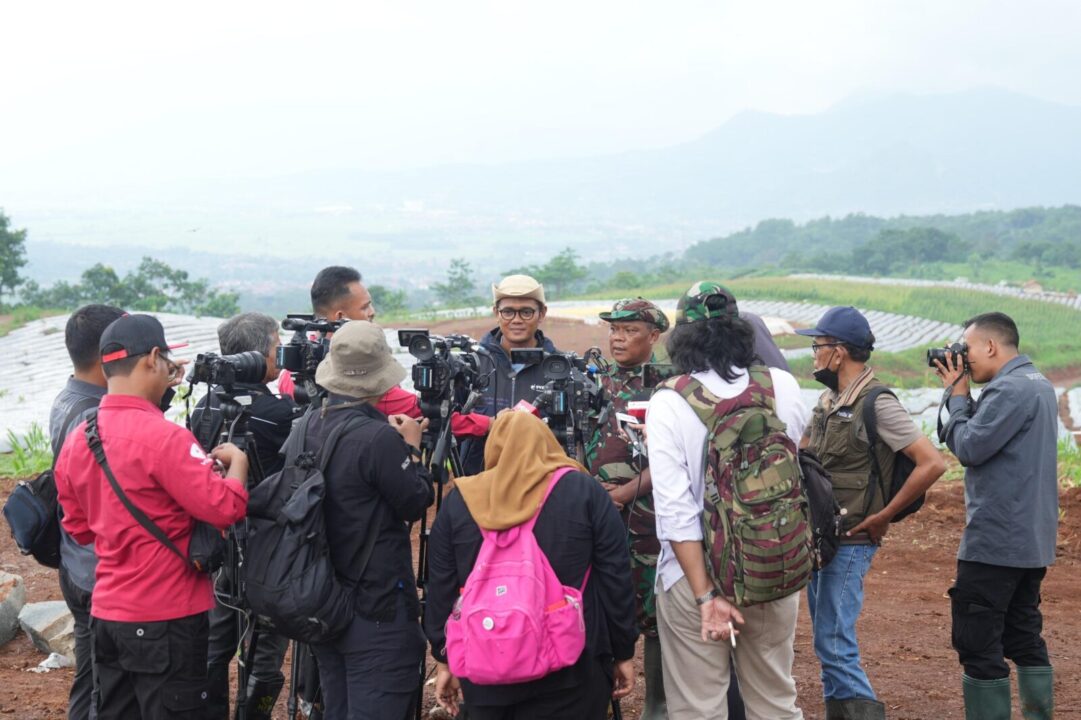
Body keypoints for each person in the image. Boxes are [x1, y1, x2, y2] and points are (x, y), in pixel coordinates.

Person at [53, 314, 250, 719]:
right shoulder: (166, 438)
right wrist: (238, 468)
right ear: (153, 358)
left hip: (107, 614)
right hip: (168, 617)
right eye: (166, 362)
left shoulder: (79, 438)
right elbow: (225, 509)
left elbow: (78, 528)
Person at [646, 282, 808, 720]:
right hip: (770, 562)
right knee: (776, 700)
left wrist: (705, 598)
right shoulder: (784, 386)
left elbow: (676, 513)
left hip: (694, 574)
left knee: (699, 708)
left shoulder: (668, 401)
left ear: (680, 338)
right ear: (741, 330)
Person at [425, 411, 638, 720]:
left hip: (485, 667)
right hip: (573, 669)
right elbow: (615, 577)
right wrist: (623, 651)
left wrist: (444, 657)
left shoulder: (461, 500)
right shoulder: (583, 491)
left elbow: (441, 588)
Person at [796, 306, 945, 720]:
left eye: (817, 345)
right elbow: (804, 452)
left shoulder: (876, 402)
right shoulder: (828, 400)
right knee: (827, 639)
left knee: (834, 639)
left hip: (853, 539)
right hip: (824, 537)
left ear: (838, 352)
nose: (813, 353)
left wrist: (885, 516)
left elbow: (932, 463)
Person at [304, 320, 434, 720]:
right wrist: (412, 448)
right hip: (376, 605)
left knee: (339, 705)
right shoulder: (377, 438)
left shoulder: (308, 424)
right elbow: (415, 501)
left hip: (324, 599)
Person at [934, 312, 1058, 720]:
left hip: (995, 543)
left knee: (977, 643)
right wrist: (963, 397)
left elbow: (969, 447)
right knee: (1023, 636)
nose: (962, 358)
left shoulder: (1007, 390)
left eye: (966, 349)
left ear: (990, 346)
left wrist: (955, 395)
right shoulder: (1037, 384)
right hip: (1029, 541)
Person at [191, 312, 300, 720]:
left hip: (220, 545)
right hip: (270, 548)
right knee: (267, 646)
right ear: (260, 355)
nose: (282, 354)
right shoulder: (278, 413)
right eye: (277, 346)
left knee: (216, 643)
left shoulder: (203, 405)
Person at [584, 297, 669, 719]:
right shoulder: (590, 381)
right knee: (592, 608)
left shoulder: (670, 386)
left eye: (630, 330)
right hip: (592, 521)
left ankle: (657, 708)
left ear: (654, 336)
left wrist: (619, 495)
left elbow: (675, 457)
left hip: (648, 524)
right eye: (614, 330)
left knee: (655, 618)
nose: (618, 338)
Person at [48, 304, 126, 720]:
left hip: (73, 559)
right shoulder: (95, 415)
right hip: (97, 568)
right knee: (104, 686)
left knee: (88, 674)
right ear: (108, 354)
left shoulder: (68, 398)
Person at [460, 274, 562, 474]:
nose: (516, 320)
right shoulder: (473, 363)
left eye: (526, 312)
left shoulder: (558, 368)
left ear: (542, 314)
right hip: (480, 480)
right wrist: (486, 425)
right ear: (496, 313)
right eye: (508, 312)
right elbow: (449, 421)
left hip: (540, 481)